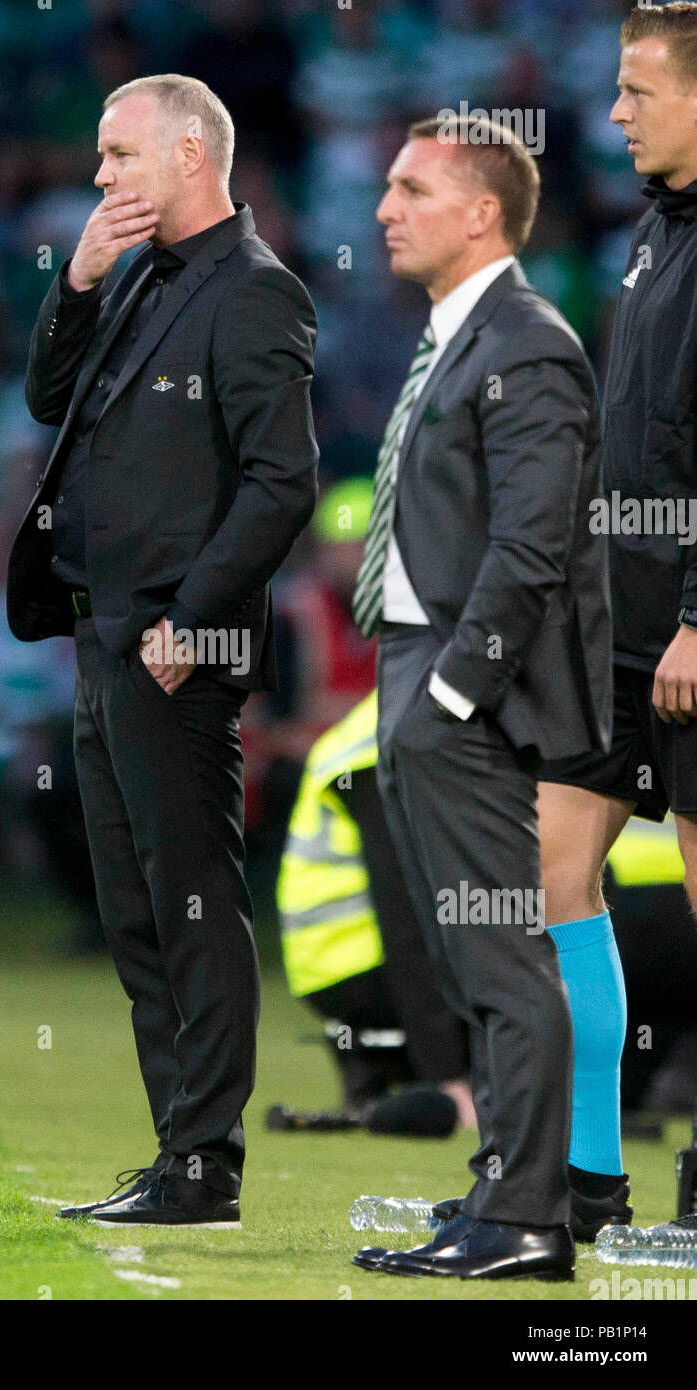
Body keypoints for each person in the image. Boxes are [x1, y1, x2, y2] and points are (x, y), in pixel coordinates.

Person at [5, 74, 319, 1228]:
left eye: (118, 154)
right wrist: (77, 279)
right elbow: (49, 400)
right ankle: (176, 1150)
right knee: (138, 909)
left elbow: (288, 480)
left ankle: (207, 1163)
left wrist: (194, 613)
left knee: (190, 898)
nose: (100, 176)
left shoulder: (258, 292)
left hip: (173, 643)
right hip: (101, 633)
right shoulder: (135, 275)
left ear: (192, 154)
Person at [350, 116, 611, 1281]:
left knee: (502, 955)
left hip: (459, 684)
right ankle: (502, 1193)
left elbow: (532, 547)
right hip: (415, 665)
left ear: (481, 213)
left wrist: (451, 692)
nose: (384, 210)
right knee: (474, 957)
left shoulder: (528, 344)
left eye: (410, 190)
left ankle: (526, 1218)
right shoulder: (465, 338)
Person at [537, 1, 697, 1236]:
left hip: (692, 621)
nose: (614, 114)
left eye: (637, 90)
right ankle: (586, 1174)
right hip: (619, 614)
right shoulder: (654, 233)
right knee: (551, 870)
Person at [272, 689, 473, 1138]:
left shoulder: (386, 721)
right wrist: (450, 1077)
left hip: (338, 964)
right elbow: (405, 921)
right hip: (359, 964)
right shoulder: (384, 746)